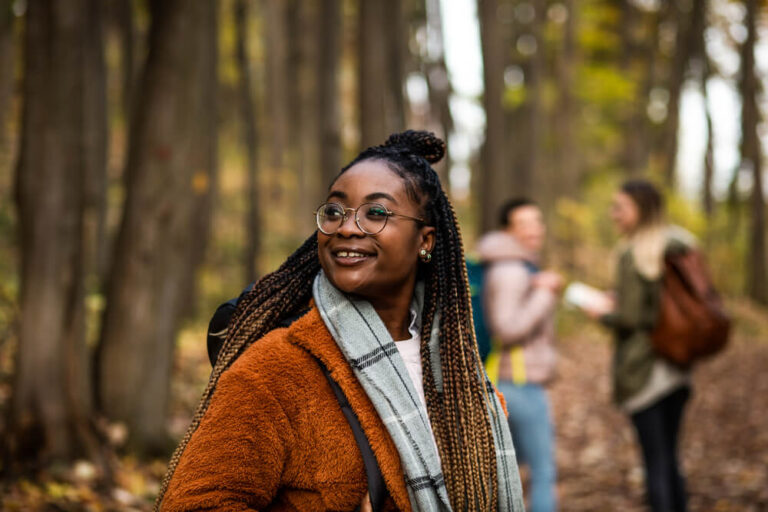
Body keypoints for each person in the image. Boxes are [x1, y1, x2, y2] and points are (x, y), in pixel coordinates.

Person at [155, 131, 525, 511]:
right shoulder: (276, 369)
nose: (347, 227)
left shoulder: (459, 375)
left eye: (376, 213)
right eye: (334, 211)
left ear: (425, 241)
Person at [583, 179, 693, 512]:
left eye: (621, 207)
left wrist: (601, 313)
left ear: (641, 211)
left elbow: (631, 319)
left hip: (644, 371)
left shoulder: (635, 254)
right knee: (671, 459)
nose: (614, 214)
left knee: (655, 463)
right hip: (677, 367)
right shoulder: (679, 245)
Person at [477, 198, 562, 512]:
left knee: (506, 474)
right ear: (507, 231)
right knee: (543, 473)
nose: (534, 230)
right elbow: (507, 328)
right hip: (520, 383)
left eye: (536, 221)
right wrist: (544, 293)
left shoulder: (513, 266)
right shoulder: (511, 270)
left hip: (509, 380)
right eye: (523, 224)